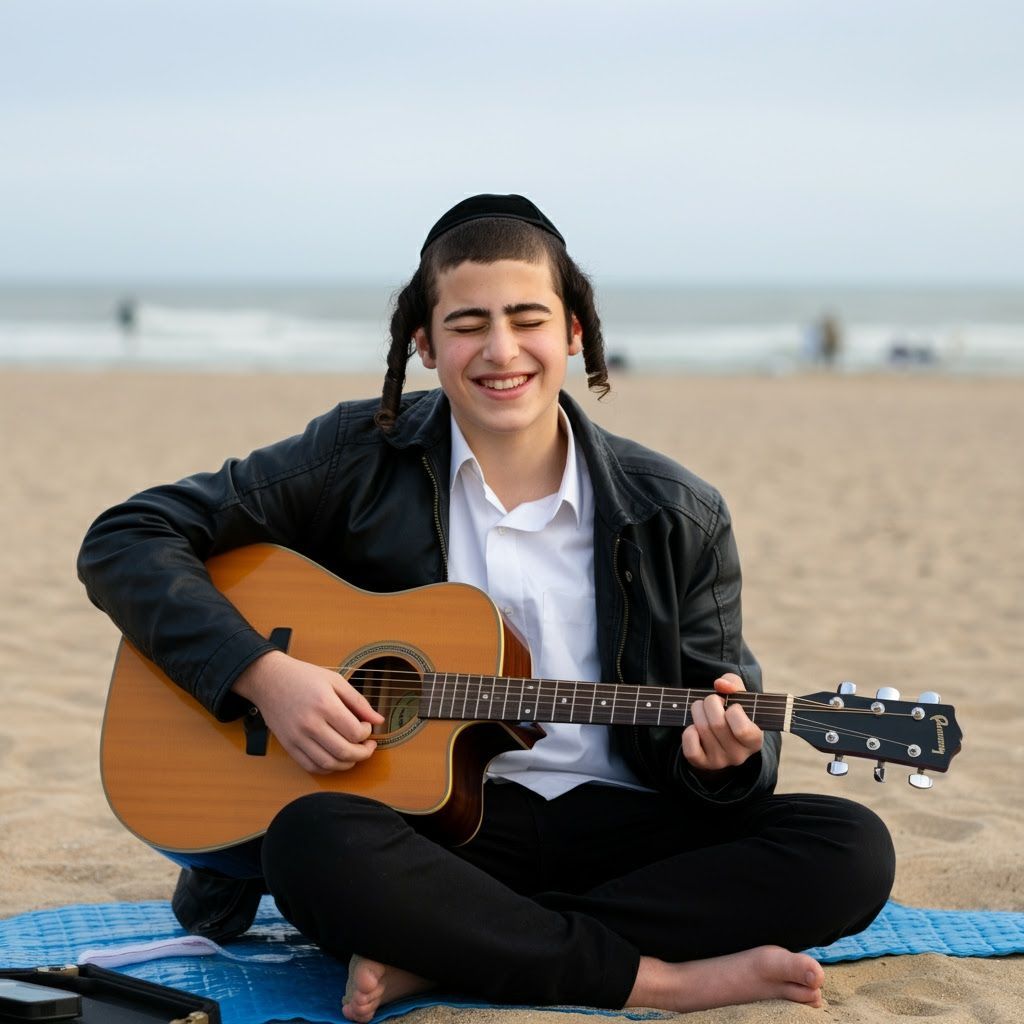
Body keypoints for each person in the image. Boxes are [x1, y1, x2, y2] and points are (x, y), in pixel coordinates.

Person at [78, 194, 895, 1017]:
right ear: (425, 344)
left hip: (622, 829)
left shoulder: (678, 512)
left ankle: (450, 951)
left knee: (849, 851)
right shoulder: (356, 459)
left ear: (575, 330)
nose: (501, 350)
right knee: (310, 842)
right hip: (431, 837)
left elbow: (729, 748)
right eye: (468, 324)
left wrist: (721, 762)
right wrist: (263, 674)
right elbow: (128, 537)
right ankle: (655, 980)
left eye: (528, 318)